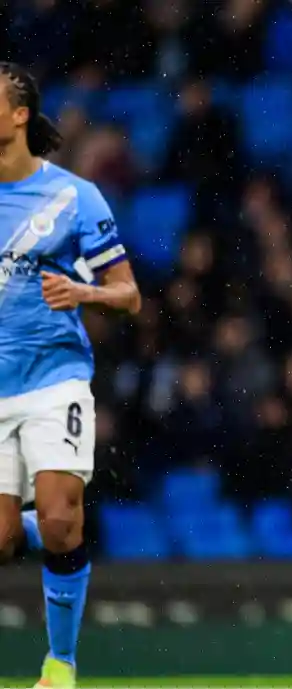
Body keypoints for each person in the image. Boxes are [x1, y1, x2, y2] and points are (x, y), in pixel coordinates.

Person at [0, 63, 142, 689]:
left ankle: (60, 666)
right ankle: (31, 520)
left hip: (54, 376)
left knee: (59, 523)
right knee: (3, 541)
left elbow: (129, 295)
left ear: (19, 113)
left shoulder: (74, 196)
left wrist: (81, 291)